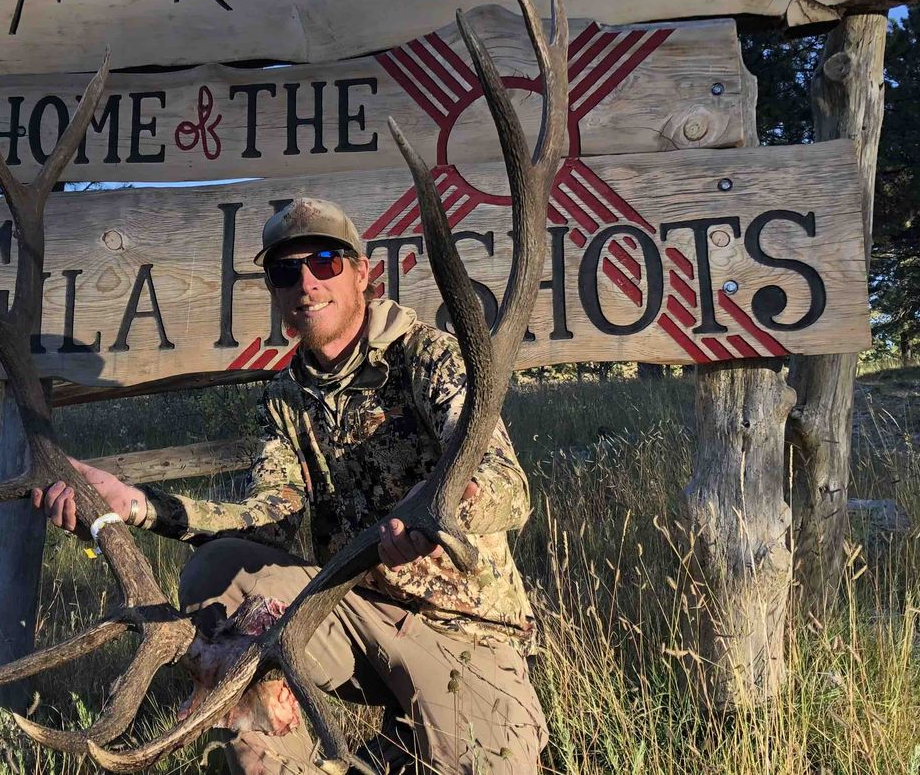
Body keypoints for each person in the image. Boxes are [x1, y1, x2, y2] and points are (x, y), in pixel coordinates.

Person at [33, 198, 547, 773]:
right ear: (275, 292)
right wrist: (140, 506)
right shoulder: (284, 397)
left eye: (325, 262)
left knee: (489, 763)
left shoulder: (429, 357)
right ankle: (276, 760)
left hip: (464, 634)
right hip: (351, 616)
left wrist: (438, 510)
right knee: (219, 572)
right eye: (285, 271)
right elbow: (270, 518)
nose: (306, 282)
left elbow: (508, 485)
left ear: (363, 273)